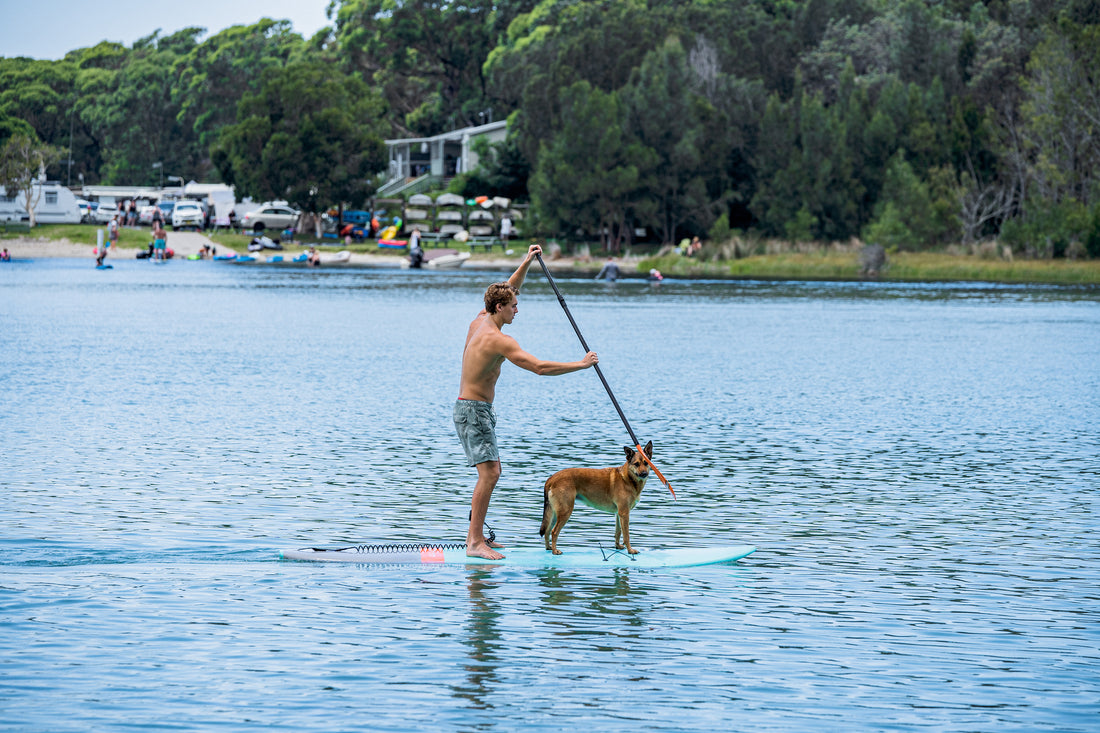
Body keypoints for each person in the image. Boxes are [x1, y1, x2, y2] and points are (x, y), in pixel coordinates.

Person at [456, 244, 599, 559]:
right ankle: (474, 543)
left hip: (474, 410)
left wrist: (527, 261)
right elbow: (539, 367)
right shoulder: (498, 340)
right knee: (490, 474)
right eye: (513, 306)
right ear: (499, 308)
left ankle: (476, 537)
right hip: (473, 411)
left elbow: (509, 287)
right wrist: (581, 364)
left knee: (492, 471)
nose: (517, 310)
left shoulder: (480, 319)